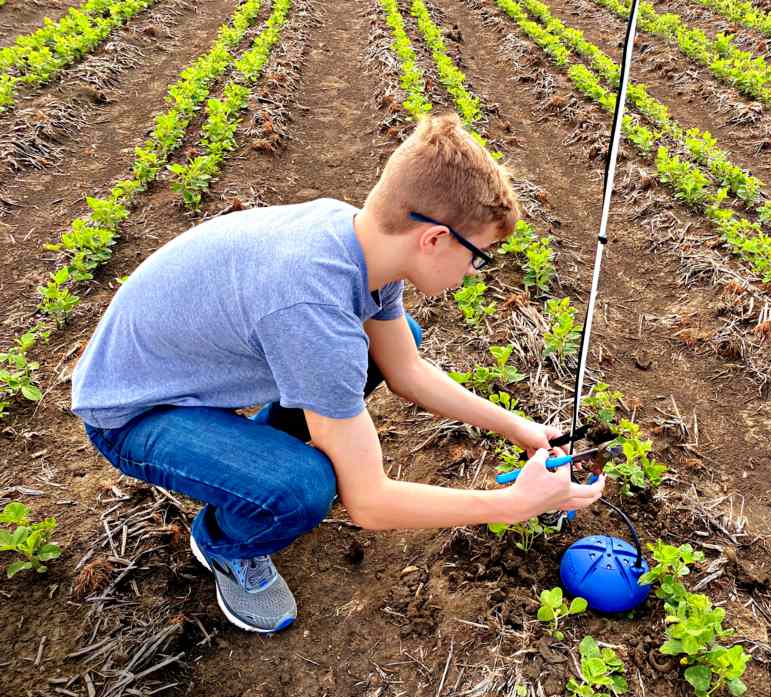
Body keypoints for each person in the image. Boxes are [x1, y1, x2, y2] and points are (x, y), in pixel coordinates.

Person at [71, 113, 606, 634]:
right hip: (133, 412)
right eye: (479, 256)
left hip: (180, 372)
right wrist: (512, 506)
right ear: (435, 238)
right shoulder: (312, 311)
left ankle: (251, 459)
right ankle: (223, 544)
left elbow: (406, 370)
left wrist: (516, 427)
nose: (474, 271)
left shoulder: (362, 240)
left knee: (396, 342)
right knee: (302, 487)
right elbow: (368, 503)